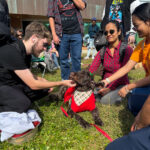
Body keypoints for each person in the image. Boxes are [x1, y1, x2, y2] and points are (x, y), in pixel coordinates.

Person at [0, 21, 76, 114]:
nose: (45, 49)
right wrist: (60, 83)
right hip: (3, 86)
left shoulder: (26, 53)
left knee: (45, 88)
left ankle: (16, 99)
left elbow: (29, 76)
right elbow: (32, 84)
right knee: (23, 103)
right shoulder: (13, 51)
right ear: (34, 38)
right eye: (44, 45)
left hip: (13, 84)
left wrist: (45, 81)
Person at [105, 3, 150, 149]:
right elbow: (127, 67)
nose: (135, 30)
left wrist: (141, 121)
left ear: (148, 22)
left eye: (137, 25)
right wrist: (106, 81)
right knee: (132, 100)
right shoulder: (142, 44)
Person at [89, 20, 133, 105]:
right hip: (105, 84)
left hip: (120, 84)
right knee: (91, 95)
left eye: (112, 31)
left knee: (104, 100)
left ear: (119, 32)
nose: (109, 34)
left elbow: (123, 74)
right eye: (106, 33)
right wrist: (88, 80)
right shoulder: (103, 50)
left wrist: (110, 89)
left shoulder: (126, 49)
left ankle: (126, 95)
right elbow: (92, 68)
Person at [47, 0, 87, 80]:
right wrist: (54, 34)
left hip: (76, 32)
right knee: (63, 60)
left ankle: (76, 81)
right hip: (62, 34)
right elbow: (51, 16)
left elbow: (82, 6)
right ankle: (65, 82)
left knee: (76, 59)